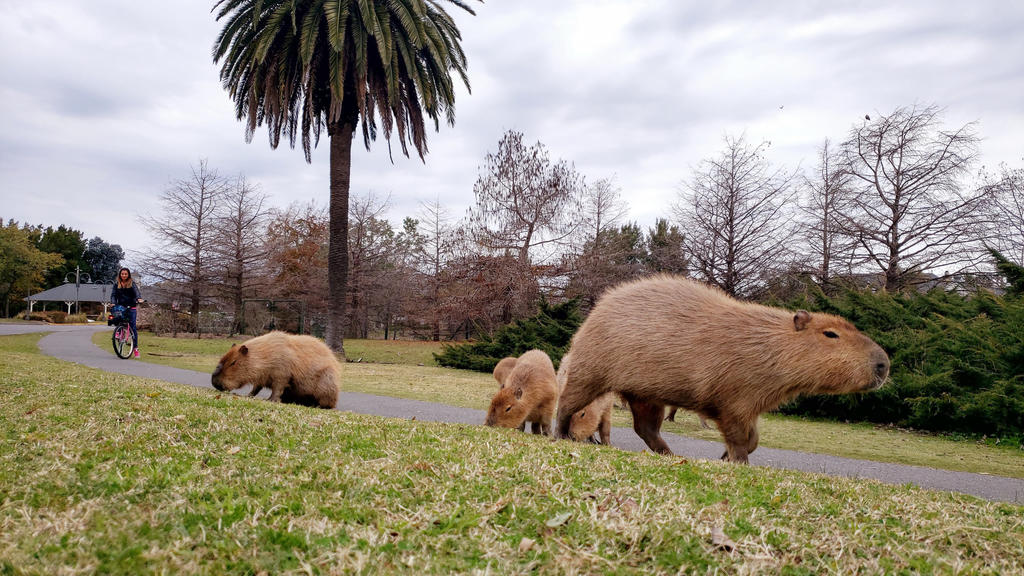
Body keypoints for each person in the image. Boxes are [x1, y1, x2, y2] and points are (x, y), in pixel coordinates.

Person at [111, 267, 144, 357]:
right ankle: (118, 331)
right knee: (119, 317)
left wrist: (139, 298)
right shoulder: (116, 284)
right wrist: (113, 303)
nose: (124, 275)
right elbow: (113, 295)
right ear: (120, 275)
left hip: (131, 306)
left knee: (133, 327)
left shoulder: (132, 284)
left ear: (128, 275)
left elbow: (136, 292)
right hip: (121, 306)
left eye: (125, 274)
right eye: (122, 274)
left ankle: (135, 348)